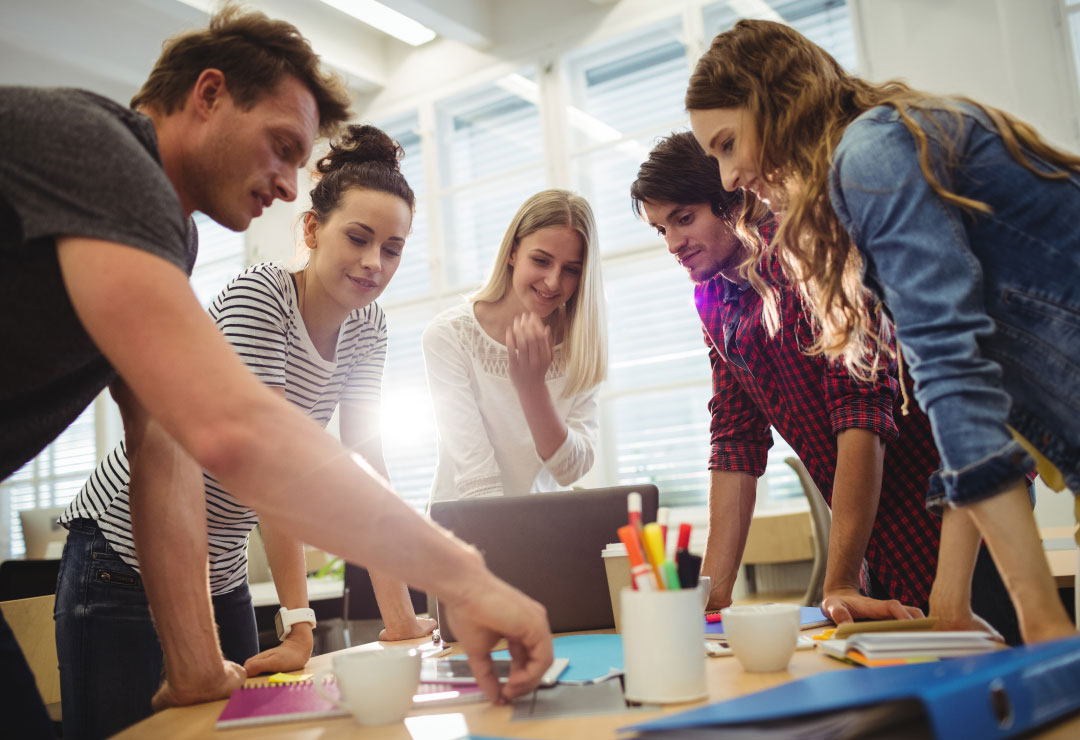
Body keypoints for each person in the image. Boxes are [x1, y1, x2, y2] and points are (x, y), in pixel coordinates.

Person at [0, 9, 551, 735]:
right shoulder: (106, 154)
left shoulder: (169, 235)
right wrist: (469, 582)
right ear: (208, 96)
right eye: (281, 147)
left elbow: (162, 445)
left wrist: (196, 660)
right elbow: (239, 434)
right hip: (111, 564)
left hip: (214, 568)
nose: (290, 186)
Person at [685, 18, 1078, 644]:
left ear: (777, 105)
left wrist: (1040, 619)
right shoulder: (867, 169)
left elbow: (958, 382)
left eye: (728, 145)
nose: (729, 178)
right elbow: (978, 402)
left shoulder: (870, 157)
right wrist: (948, 599)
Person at [54, 124, 437, 738]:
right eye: (358, 238)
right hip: (121, 559)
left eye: (392, 249)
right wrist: (300, 622)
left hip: (220, 568)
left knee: (243, 733)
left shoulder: (369, 327)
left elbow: (368, 463)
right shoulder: (261, 297)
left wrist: (401, 617)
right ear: (312, 231)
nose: (373, 263)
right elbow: (268, 467)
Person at [630, 132, 1018, 642]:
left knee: (1003, 681)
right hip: (873, 538)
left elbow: (861, 414)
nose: (674, 243)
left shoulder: (809, 254)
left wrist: (836, 579)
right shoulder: (713, 301)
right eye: (662, 229)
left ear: (732, 198)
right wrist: (713, 600)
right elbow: (734, 443)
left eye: (685, 218)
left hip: (956, 510)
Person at [423, 189, 607, 502]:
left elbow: (571, 470)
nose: (552, 281)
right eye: (541, 260)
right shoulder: (450, 335)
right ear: (512, 252)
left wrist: (532, 388)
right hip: (462, 529)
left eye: (571, 270)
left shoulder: (582, 346)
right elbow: (476, 476)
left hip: (535, 532)